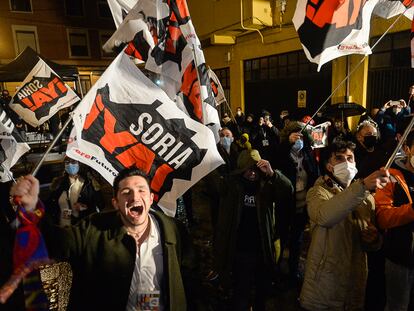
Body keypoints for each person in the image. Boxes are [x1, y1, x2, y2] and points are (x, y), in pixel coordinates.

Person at [10, 168, 198, 310]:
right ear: (116, 203)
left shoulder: (173, 230)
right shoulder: (94, 228)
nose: (134, 196)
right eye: (126, 192)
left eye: (141, 190)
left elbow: (190, 279)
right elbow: (58, 243)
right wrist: (33, 207)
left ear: (150, 198)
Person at [300, 139, 389, 310]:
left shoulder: (366, 199)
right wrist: (362, 186)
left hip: (354, 286)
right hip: (324, 287)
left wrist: (373, 239)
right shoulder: (318, 192)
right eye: (339, 158)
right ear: (328, 166)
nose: (347, 163)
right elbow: (325, 217)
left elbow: (368, 243)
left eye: (350, 158)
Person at [214, 148, 293, 310]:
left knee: (261, 292)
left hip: (261, 249)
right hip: (239, 249)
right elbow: (212, 182)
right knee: (241, 291)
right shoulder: (230, 185)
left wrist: (273, 174)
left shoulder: (267, 186)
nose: (252, 174)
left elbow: (287, 190)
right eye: (248, 170)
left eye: (256, 169)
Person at [276, 121, 319, 285]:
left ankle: (294, 271)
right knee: (281, 238)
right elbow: (276, 164)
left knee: (297, 240)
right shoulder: (282, 152)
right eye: (295, 136)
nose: (298, 139)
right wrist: (288, 144)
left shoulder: (307, 154)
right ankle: (277, 270)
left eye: (301, 136)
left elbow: (314, 173)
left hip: (302, 207)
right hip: (285, 205)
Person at [375, 130, 414, 311]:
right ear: (407, 149)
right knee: (397, 305)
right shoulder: (390, 176)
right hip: (400, 258)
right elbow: (383, 217)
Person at [46, 158, 104, 226]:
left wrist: (85, 207)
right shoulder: (58, 183)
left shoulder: (89, 183)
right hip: (61, 227)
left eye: (73, 162)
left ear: (79, 163)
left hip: (82, 227)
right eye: (67, 162)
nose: (70, 164)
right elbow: (49, 205)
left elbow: (100, 205)